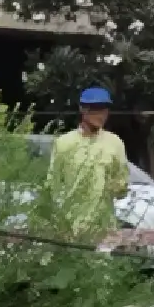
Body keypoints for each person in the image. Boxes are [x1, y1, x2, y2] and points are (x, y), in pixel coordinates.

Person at [46, 87, 130, 240]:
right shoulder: (64, 143)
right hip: (70, 227)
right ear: (82, 109)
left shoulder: (115, 143)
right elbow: (53, 185)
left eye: (104, 109)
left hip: (104, 227)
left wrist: (117, 186)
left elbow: (122, 184)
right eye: (95, 109)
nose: (101, 115)